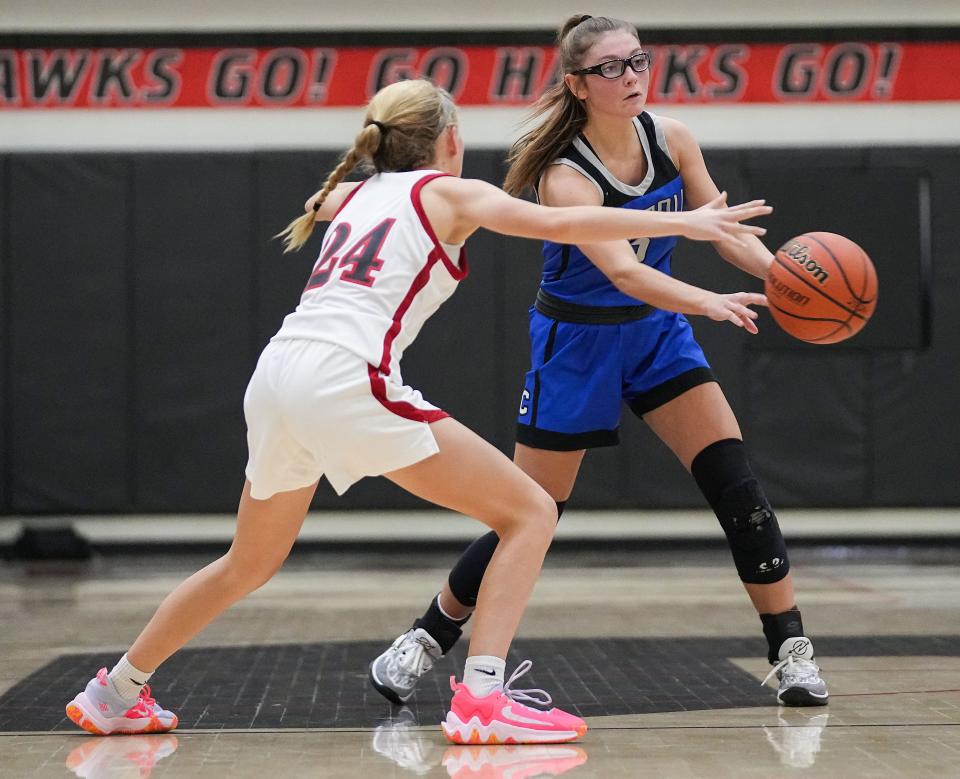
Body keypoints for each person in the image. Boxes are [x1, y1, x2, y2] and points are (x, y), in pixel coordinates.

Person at [63, 77, 770, 745]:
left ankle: (115, 690)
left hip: (277, 375)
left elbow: (326, 202)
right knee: (530, 511)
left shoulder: (353, 194)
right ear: (451, 139)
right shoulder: (449, 194)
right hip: (346, 378)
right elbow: (559, 219)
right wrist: (691, 222)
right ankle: (484, 698)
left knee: (245, 562)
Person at [369, 15, 828, 710]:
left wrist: (784, 280)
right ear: (578, 85)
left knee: (737, 486)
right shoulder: (563, 174)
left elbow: (723, 228)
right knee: (531, 510)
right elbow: (624, 273)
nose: (632, 77)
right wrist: (705, 301)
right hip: (576, 343)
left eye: (638, 61)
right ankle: (428, 635)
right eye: (611, 67)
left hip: (655, 336)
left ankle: (791, 650)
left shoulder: (672, 138)